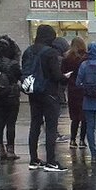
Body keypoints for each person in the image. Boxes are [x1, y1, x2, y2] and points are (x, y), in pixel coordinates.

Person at [23, 25, 69, 172]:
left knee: (35, 124)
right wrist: (65, 78)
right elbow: (56, 75)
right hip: (49, 92)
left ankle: (33, 159)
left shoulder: (28, 51)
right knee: (51, 127)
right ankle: (51, 161)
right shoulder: (50, 53)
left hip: (33, 92)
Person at [0, 35, 23, 161]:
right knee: (11, 124)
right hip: (12, 96)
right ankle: (10, 150)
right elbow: (21, 77)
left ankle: (0, 149)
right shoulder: (14, 64)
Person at [62, 37, 88, 149]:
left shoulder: (67, 58)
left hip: (72, 89)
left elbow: (62, 72)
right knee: (84, 116)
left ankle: (72, 140)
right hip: (84, 89)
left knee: (74, 116)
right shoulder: (86, 57)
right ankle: (82, 140)